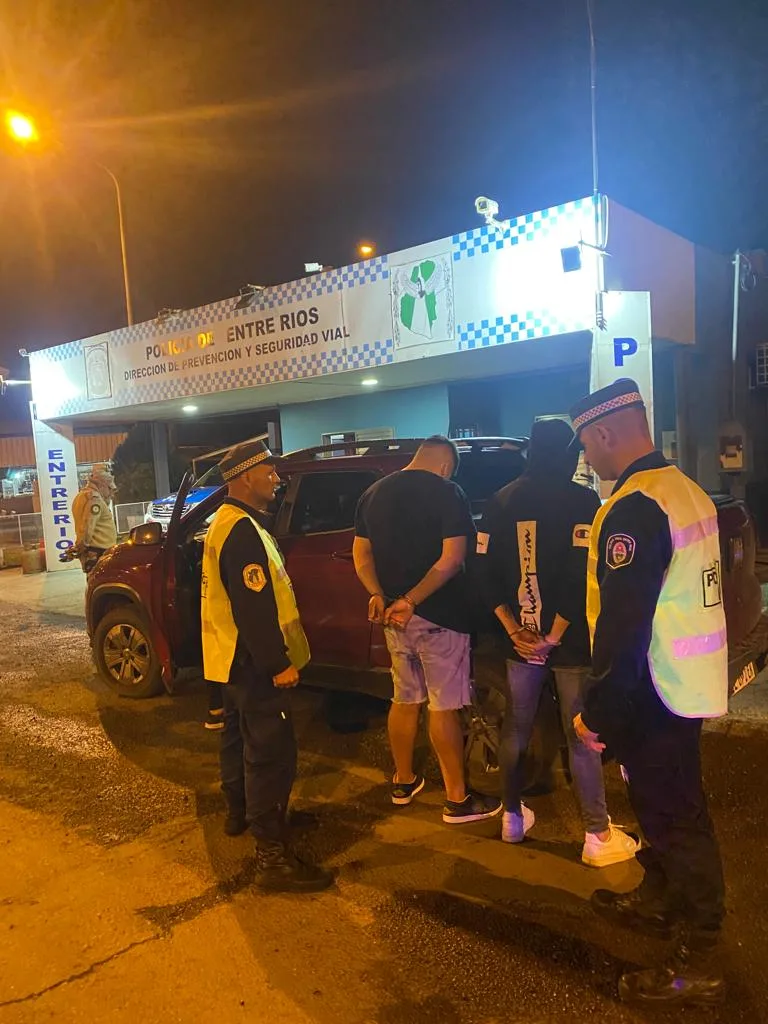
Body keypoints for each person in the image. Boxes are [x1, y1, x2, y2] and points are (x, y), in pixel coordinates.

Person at [570, 379, 727, 1007]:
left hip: (654, 687)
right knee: (664, 805)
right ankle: (659, 898)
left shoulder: (634, 507)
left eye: (587, 445)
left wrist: (599, 711)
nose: (587, 458)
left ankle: (702, 955)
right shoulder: (685, 490)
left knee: (676, 816)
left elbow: (624, 623)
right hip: (684, 682)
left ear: (605, 433)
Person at [477, 418, 639, 865]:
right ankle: (596, 834)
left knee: (516, 725)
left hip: (520, 640)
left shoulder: (500, 500)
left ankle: (511, 817)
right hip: (566, 641)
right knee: (579, 730)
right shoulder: (582, 500)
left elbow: (484, 573)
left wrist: (514, 630)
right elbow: (578, 575)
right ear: (567, 455)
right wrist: (553, 636)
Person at [201, 439, 333, 893]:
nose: (278, 479)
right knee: (271, 756)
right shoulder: (241, 530)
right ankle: (272, 858)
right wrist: (277, 663)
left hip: (232, 659)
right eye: (270, 472)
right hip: (254, 663)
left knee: (241, 743)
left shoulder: (227, 522)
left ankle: (245, 815)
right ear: (245, 477)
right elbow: (253, 607)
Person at [353, 435, 501, 824]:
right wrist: (413, 599)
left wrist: (378, 594)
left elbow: (361, 555)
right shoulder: (447, 491)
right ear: (445, 466)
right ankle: (457, 799)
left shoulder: (372, 494)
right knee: (443, 705)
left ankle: (403, 781)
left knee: (404, 698)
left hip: (393, 618)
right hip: (440, 616)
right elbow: (452, 558)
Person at [71, 467, 118, 572]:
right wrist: (82, 547)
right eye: (109, 489)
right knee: (102, 580)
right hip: (98, 552)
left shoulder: (81, 496)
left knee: (94, 579)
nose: (111, 494)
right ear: (101, 485)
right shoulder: (95, 500)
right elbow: (88, 526)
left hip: (94, 551)